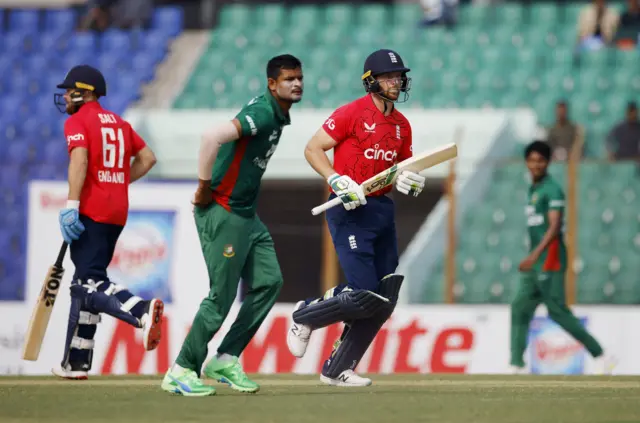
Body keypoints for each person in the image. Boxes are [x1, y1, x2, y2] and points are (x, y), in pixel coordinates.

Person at [161, 54, 304, 397]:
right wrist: (202, 186)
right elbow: (211, 137)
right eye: (289, 79)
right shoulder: (263, 112)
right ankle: (181, 370)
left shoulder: (278, 112)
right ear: (272, 84)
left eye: (299, 78)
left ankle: (225, 358)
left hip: (246, 216)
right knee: (220, 298)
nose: (297, 83)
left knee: (270, 281)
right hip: (223, 211)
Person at [286, 49, 426, 387]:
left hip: (381, 208)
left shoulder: (401, 125)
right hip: (348, 208)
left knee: (383, 296)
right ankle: (305, 316)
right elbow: (312, 148)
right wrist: (335, 178)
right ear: (371, 81)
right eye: (389, 77)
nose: (396, 82)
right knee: (364, 291)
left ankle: (338, 368)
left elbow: (398, 170)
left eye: (398, 76)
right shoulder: (352, 113)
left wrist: (408, 179)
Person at [52, 65, 163, 380]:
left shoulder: (78, 121)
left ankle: (140, 310)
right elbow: (148, 158)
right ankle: (75, 363)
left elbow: (80, 159)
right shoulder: (120, 122)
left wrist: (72, 205)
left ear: (85, 92)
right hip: (117, 212)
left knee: (86, 285)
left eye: (69, 89)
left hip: (91, 210)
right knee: (86, 281)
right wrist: (117, 182)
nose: (64, 95)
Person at [510, 141, 615, 375]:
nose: (535, 164)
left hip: (550, 258)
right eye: (531, 160)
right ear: (526, 162)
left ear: (547, 162)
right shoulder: (533, 189)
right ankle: (516, 364)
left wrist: (534, 255)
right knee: (519, 306)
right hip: (535, 261)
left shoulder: (552, 189)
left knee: (556, 311)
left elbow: (554, 226)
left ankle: (601, 354)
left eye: (540, 160)